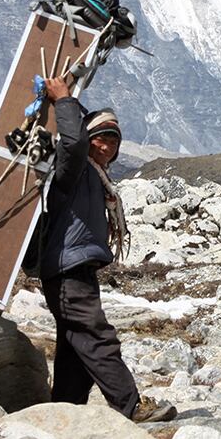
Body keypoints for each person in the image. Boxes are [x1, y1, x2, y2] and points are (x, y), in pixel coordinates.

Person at [34, 75, 173, 422]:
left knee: (75, 346)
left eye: (114, 141)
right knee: (97, 337)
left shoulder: (98, 178)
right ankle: (131, 406)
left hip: (77, 268)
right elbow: (73, 142)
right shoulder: (74, 171)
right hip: (67, 269)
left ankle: (62, 414)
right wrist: (64, 99)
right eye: (101, 139)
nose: (108, 147)